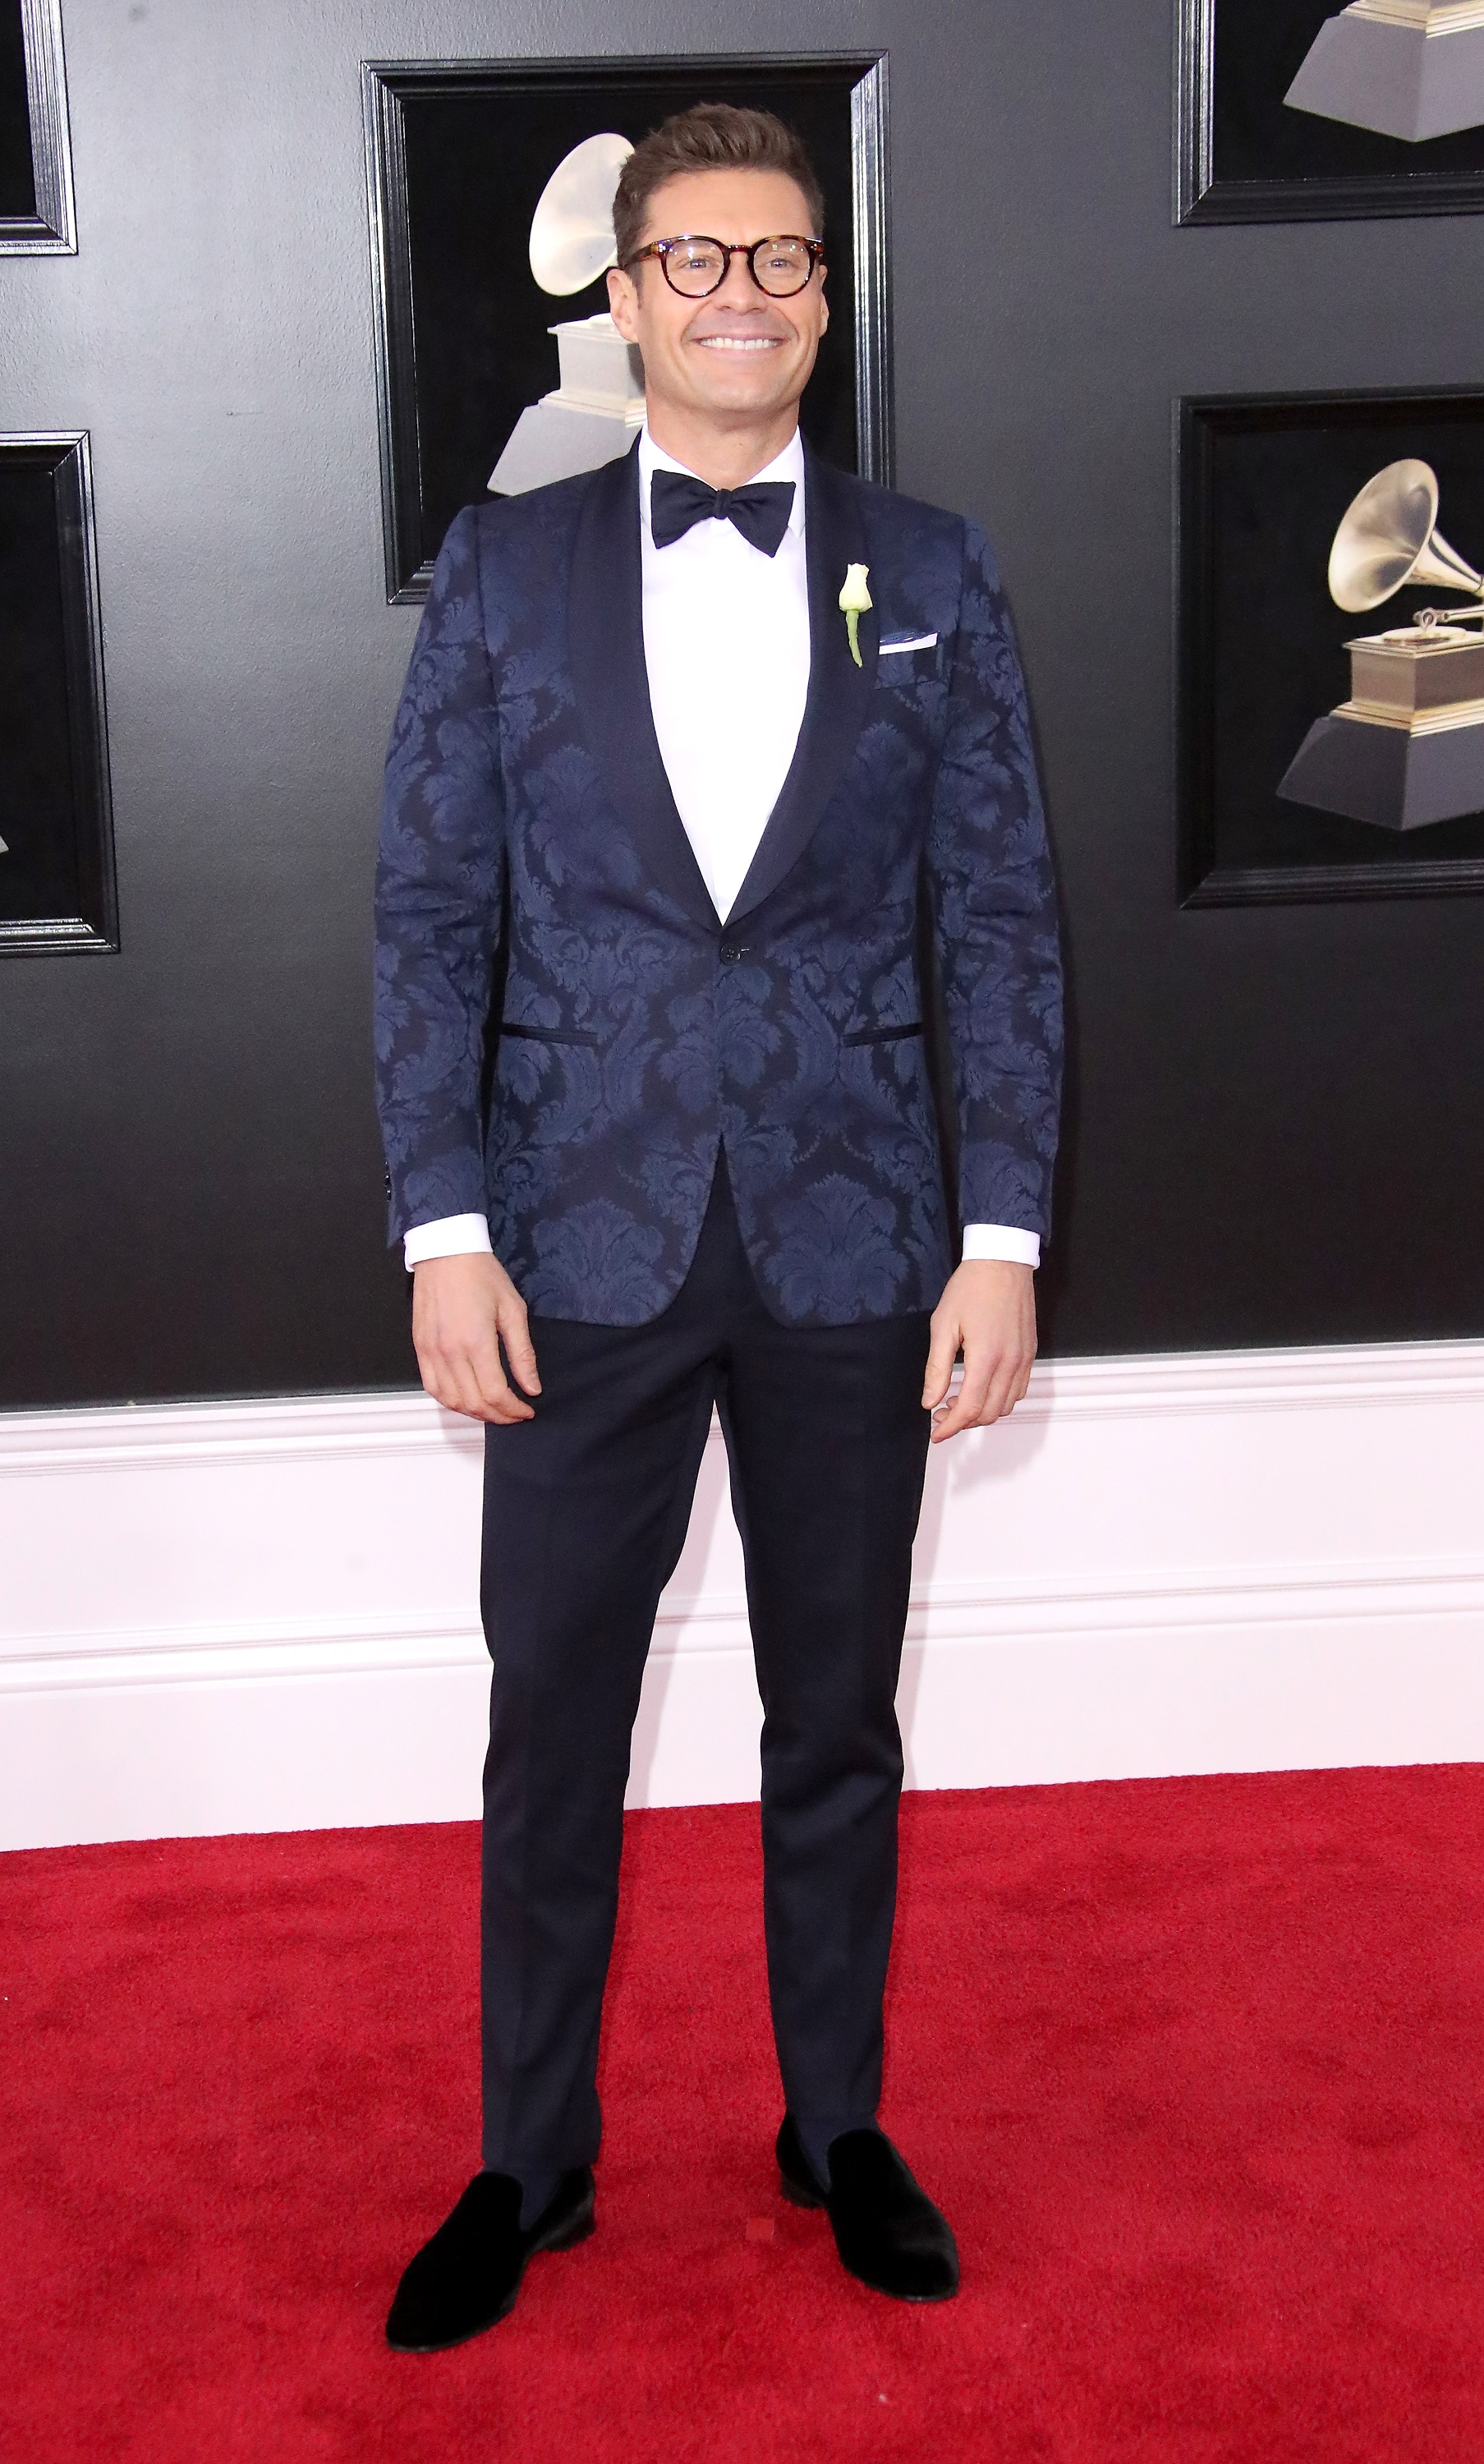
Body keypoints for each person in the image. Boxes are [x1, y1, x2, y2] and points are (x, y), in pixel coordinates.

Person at [374, 103, 1062, 2352]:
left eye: (781, 260)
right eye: (700, 259)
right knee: (552, 1712)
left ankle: (837, 2124)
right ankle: (528, 2158)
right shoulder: (500, 571)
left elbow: (1005, 924)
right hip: (575, 1239)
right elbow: (430, 916)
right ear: (631, 291)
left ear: (824, 302)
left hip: (868, 1244)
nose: (743, 295)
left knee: (834, 1714)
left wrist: (1006, 1236)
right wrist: (442, 1226)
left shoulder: (938, 571)